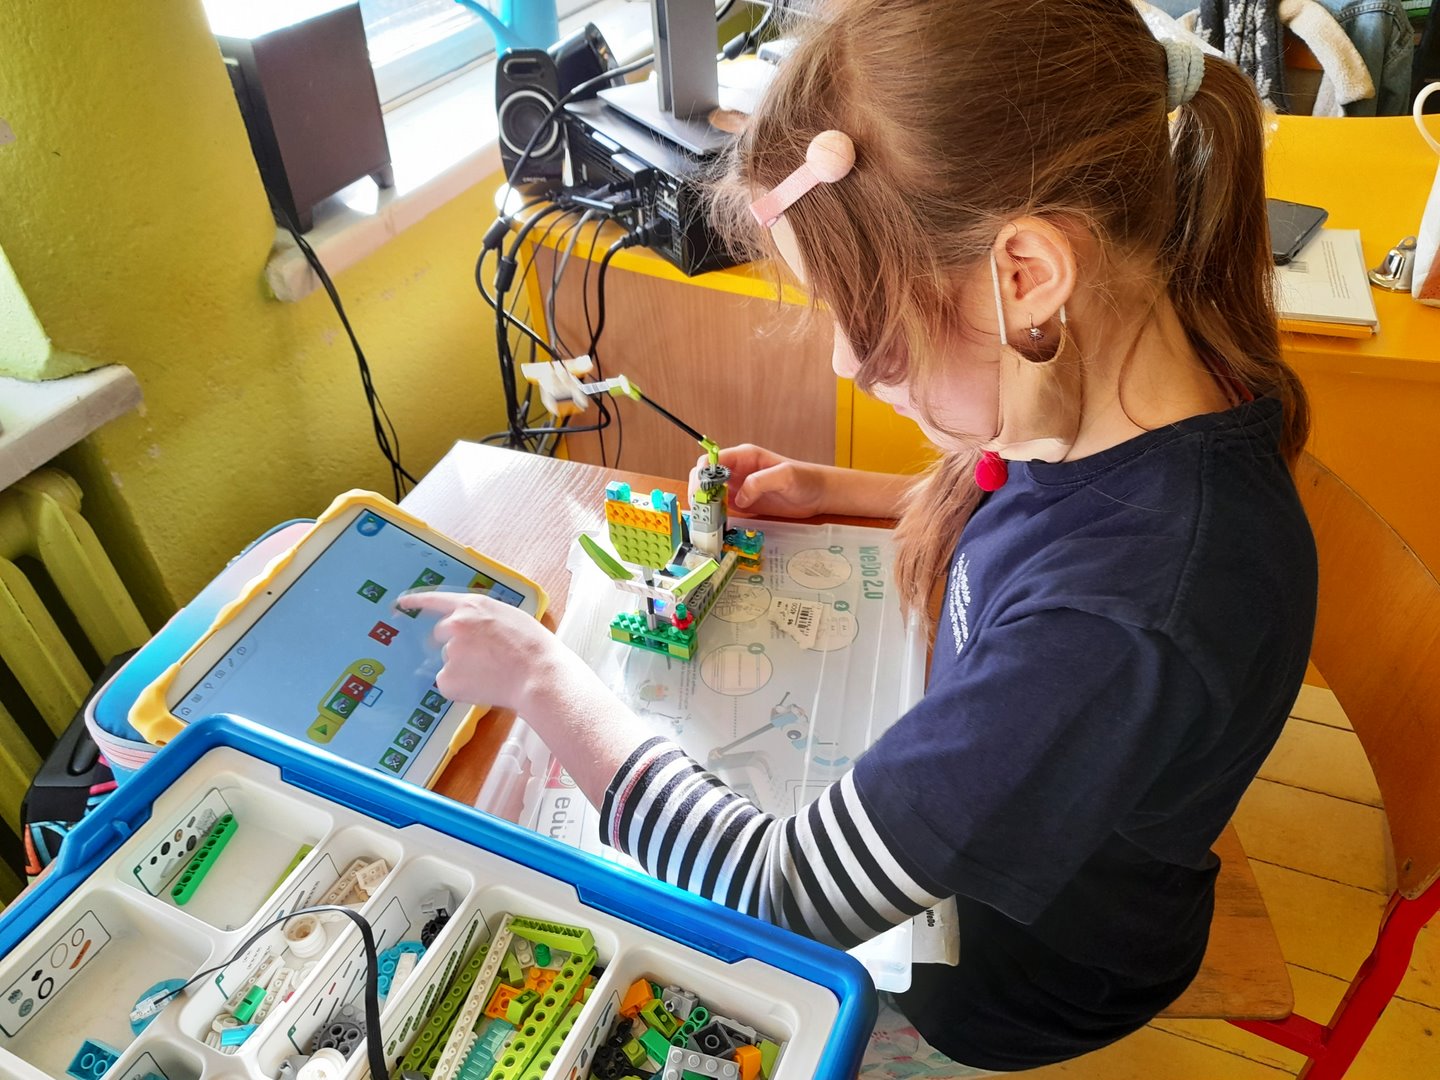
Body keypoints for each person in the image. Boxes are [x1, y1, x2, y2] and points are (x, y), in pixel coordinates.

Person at [403, 0, 1318, 1072]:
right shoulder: (1119, 387)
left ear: (1026, 276)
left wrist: (545, 681)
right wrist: (837, 489)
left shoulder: (1121, 623)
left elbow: (775, 893)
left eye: (869, 318)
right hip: (994, 841)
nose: (846, 361)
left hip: (1004, 989)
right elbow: (1033, 504)